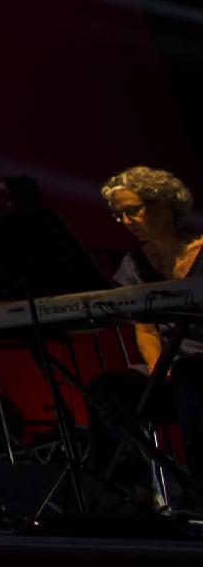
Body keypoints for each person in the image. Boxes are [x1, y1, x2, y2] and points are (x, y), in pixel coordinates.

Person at [87, 165, 203, 502]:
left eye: (131, 212)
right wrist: (157, 366)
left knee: (191, 372)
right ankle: (136, 490)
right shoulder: (135, 263)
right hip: (173, 373)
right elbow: (145, 327)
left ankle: (198, 484)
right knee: (107, 388)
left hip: (197, 372)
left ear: (164, 206)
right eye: (118, 215)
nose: (124, 222)